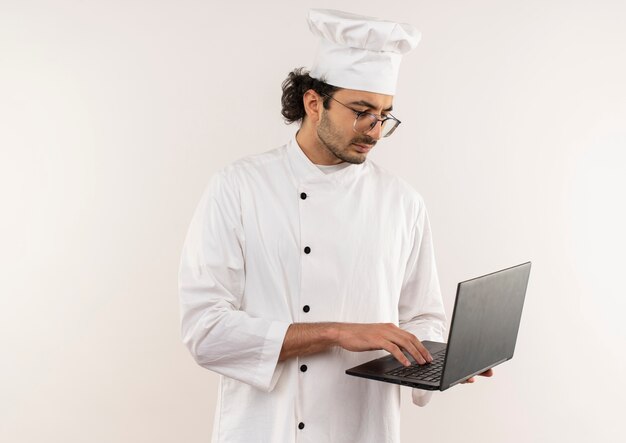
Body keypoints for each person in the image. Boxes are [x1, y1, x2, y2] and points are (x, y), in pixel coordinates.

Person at [178, 8, 491, 443]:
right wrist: (337, 332)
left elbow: (423, 316)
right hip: (267, 429)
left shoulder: (403, 202)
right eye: (361, 111)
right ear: (313, 102)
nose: (375, 130)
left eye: (385, 115)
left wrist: (438, 359)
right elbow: (205, 330)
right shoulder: (239, 187)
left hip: (362, 428)